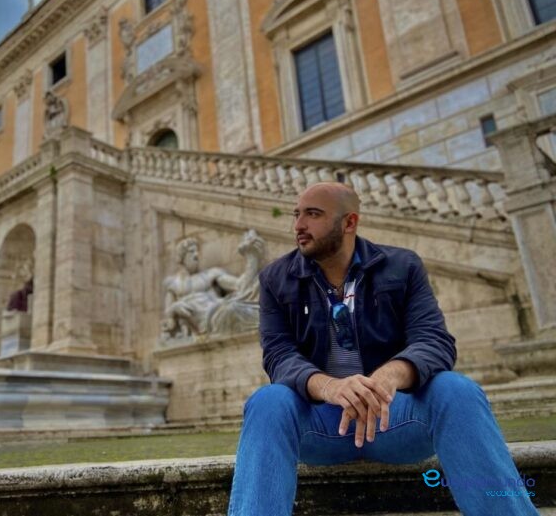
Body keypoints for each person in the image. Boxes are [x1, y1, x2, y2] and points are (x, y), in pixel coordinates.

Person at [227, 182, 539, 516]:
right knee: (267, 401)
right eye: (297, 214)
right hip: (321, 425)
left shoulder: (402, 266)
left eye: (313, 214)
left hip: (394, 419)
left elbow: (434, 341)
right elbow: (278, 355)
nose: (298, 225)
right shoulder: (276, 278)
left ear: (349, 222)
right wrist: (331, 387)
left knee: (456, 389)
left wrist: (387, 378)